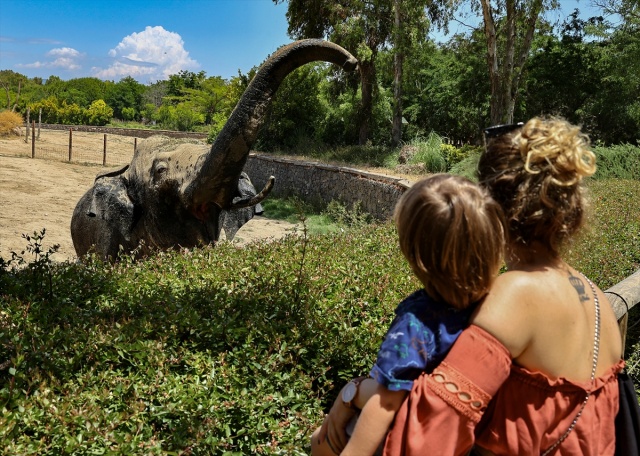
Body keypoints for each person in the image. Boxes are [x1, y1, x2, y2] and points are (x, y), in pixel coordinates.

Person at [379, 117, 624, 455]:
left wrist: (360, 398)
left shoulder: (516, 294)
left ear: (490, 208)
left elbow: (430, 431)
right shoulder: (597, 298)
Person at [311, 173, 507, 456]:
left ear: (415, 256)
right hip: (462, 439)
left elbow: (386, 402)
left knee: (320, 440)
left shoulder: (416, 321)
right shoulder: (500, 306)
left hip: (401, 436)